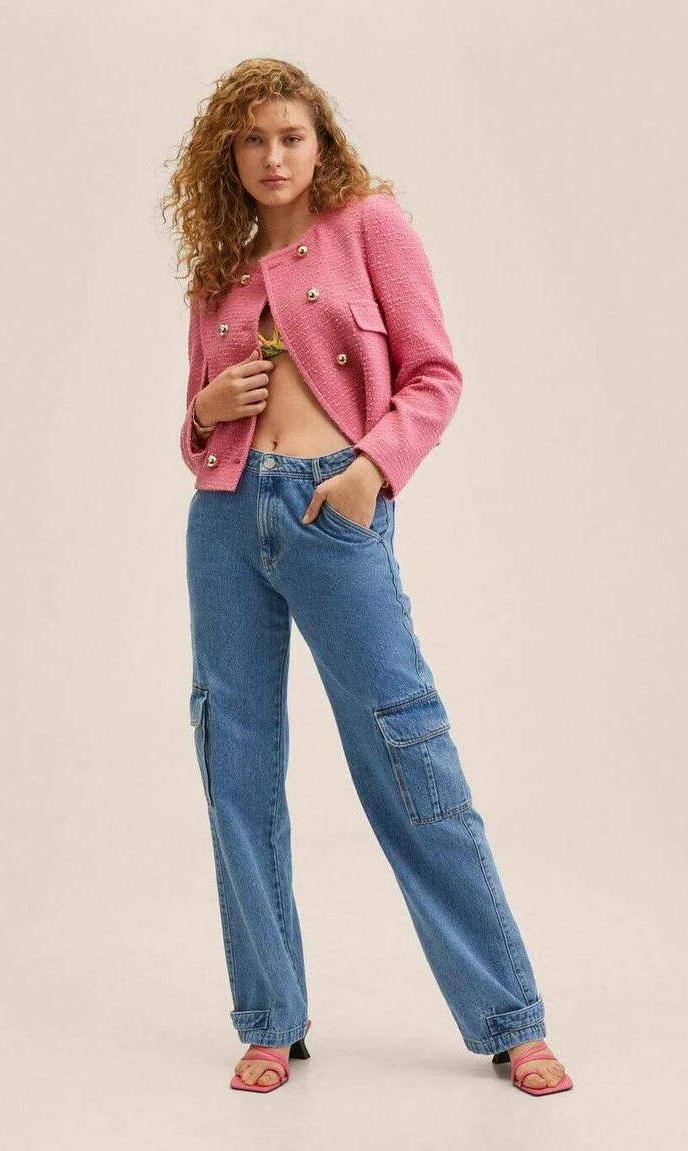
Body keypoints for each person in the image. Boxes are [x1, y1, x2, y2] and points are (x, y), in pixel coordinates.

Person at [161, 57, 573, 1098]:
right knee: (235, 760)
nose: (272, 156)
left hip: (330, 512)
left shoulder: (370, 227)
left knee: (405, 746)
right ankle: (269, 1017)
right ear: (227, 154)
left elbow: (435, 373)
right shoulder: (217, 269)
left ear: (321, 142)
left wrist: (366, 473)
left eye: (289, 135)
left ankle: (509, 1017)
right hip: (225, 519)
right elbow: (196, 425)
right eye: (252, 139)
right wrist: (204, 411)